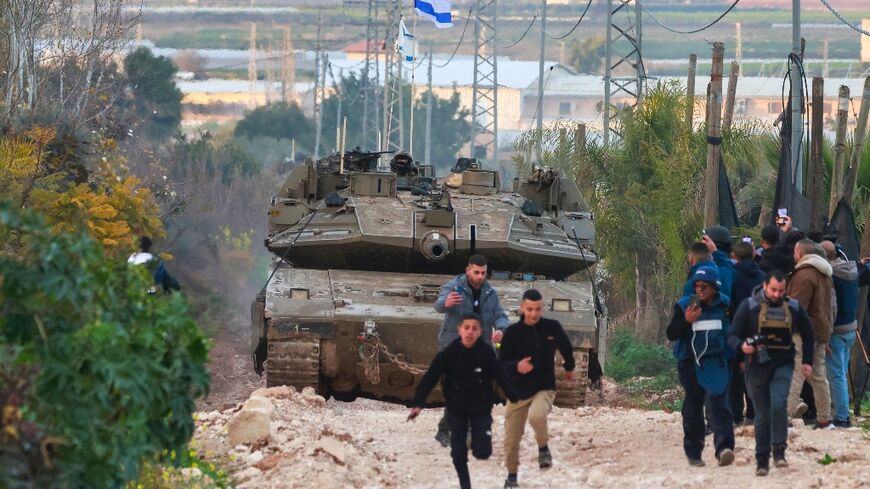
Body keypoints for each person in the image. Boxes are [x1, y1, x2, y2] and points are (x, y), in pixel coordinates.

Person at [409, 313, 517, 489]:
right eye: (466, 328)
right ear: (459, 329)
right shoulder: (449, 353)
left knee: (482, 450)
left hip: (480, 407)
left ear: (480, 331)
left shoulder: (486, 352)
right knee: (458, 452)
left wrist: (517, 399)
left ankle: (475, 437)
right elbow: (430, 378)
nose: (470, 332)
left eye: (474, 329)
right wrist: (418, 403)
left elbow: (501, 377)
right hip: (456, 407)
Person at [728, 271, 814, 476]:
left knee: (778, 405)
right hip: (756, 366)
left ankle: (779, 452)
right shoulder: (749, 307)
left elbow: (809, 333)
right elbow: (732, 334)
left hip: (783, 364)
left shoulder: (793, 307)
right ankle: (762, 459)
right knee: (763, 413)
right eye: (773, 290)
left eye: (781, 291)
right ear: (765, 286)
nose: (776, 294)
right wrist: (742, 347)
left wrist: (807, 361)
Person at [499, 289, 574, 489]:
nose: (533, 314)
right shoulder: (512, 333)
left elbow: (566, 347)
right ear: (523, 308)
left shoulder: (551, 327)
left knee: (537, 416)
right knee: (511, 438)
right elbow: (501, 362)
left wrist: (569, 366)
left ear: (542, 308)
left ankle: (543, 449)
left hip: (544, 387)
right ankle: (512, 477)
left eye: (538, 309)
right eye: (529, 309)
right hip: (517, 390)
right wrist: (517, 366)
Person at [433, 254, 510, 446]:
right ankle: (455, 431)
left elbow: (500, 315)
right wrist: (447, 303)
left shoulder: (489, 293)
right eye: (476, 272)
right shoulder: (455, 287)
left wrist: (500, 329)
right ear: (468, 270)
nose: (480, 276)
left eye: (483, 273)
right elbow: (439, 304)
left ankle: (449, 430)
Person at [666, 265, 735, 468]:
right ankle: (694, 453)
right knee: (693, 408)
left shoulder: (726, 305)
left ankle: (724, 449)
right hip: (691, 362)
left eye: (704, 286)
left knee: (721, 404)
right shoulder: (686, 306)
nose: (700, 290)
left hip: (717, 362)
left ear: (714, 287)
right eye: (697, 286)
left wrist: (736, 361)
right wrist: (686, 321)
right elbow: (672, 333)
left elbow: (732, 333)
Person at [786, 239, 834, 429]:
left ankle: (785, 414)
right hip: (821, 330)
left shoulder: (804, 275)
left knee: (795, 371)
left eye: (795, 252)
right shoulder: (824, 274)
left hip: (803, 333)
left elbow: (797, 307)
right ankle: (824, 418)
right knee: (819, 376)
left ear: (800, 253)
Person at [730, 241, 766, 425]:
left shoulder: (732, 276)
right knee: (756, 370)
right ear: (753, 255)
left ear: (734, 256)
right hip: (760, 327)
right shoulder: (763, 275)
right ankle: (753, 411)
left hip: (738, 326)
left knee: (737, 371)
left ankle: (737, 414)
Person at [823, 240, 858, 428]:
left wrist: (826, 334)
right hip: (851, 328)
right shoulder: (850, 270)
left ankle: (842, 416)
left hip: (836, 331)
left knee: (836, 374)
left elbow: (831, 307)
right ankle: (843, 410)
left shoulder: (830, 275)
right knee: (841, 373)